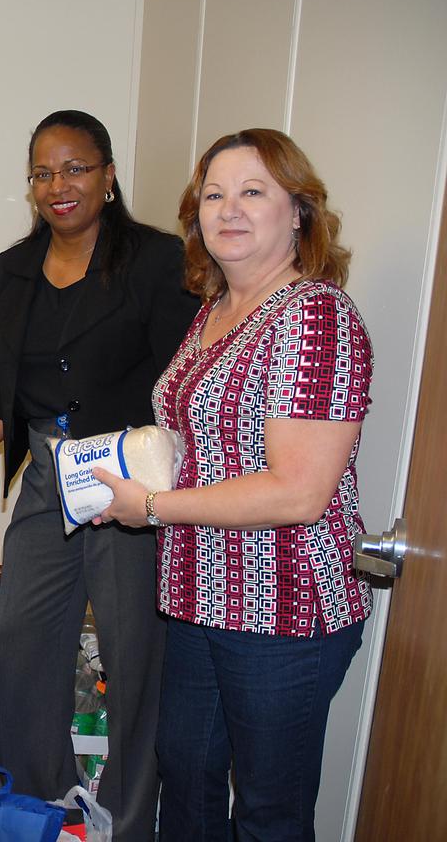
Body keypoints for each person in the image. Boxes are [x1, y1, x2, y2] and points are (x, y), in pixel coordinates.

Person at [94, 129, 372, 841]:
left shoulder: (314, 315)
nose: (230, 209)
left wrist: (150, 507)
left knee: (268, 813)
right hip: (199, 596)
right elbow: (205, 443)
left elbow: (297, 492)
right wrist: (123, 472)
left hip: (284, 607)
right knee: (184, 779)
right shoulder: (214, 312)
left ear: (299, 213)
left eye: (254, 192)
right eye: (214, 195)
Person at [0, 110, 198, 841]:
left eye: (75, 168)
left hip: (129, 480)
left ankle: (128, 823)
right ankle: (39, 806)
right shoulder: (13, 270)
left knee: (135, 663)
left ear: (107, 174)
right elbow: (5, 395)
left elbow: (183, 384)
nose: (58, 185)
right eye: (43, 172)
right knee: (24, 640)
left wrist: (168, 493)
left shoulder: (160, 261)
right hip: (47, 475)